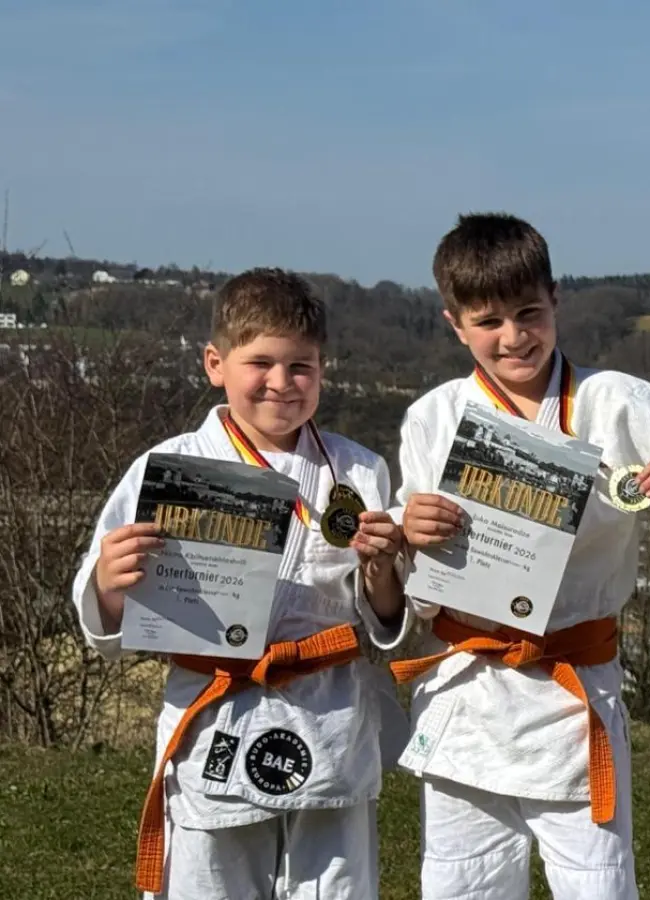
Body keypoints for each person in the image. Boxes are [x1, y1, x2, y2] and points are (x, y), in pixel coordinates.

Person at [387, 212, 650, 900]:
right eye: (488, 321)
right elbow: (410, 565)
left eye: (529, 313)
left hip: (573, 690)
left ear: (556, 299)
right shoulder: (433, 417)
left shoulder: (611, 399)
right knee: (463, 886)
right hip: (467, 693)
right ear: (454, 324)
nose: (513, 337)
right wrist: (408, 530)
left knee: (598, 885)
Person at [71, 268, 412, 899]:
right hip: (215, 707)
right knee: (209, 880)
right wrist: (110, 583)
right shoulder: (167, 467)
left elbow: (384, 615)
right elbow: (104, 616)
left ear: (322, 369)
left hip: (329, 709)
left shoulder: (360, 470)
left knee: (333, 886)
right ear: (215, 364)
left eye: (301, 366)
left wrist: (380, 570)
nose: (281, 382)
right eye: (261, 363)